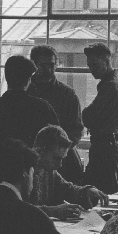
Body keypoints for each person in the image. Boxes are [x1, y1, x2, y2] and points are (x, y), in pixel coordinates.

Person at [28, 44, 85, 184]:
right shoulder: (26, 91)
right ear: (34, 65)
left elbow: (76, 129)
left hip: (61, 161)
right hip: (30, 159)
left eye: (52, 65)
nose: (49, 69)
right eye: (43, 65)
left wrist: (59, 153)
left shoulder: (67, 94)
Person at [0, 55, 59, 147]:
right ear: (28, 80)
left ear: (6, 77)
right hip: (31, 161)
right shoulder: (42, 107)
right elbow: (55, 141)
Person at [81, 43, 118, 194]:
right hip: (111, 145)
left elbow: (88, 117)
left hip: (105, 149)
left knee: (99, 195)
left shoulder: (109, 87)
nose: (91, 70)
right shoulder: (117, 83)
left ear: (107, 61)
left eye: (95, 64)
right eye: (89, 65)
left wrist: (84, 113)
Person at [30, 125, 107, 220]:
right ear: (39, 151)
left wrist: (87, 191)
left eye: (62, 159)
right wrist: (53, 211)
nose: (60, 165)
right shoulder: (22, 171)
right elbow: (19, 208)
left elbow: (67, 190)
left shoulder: (49, 171)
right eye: (56, 158)